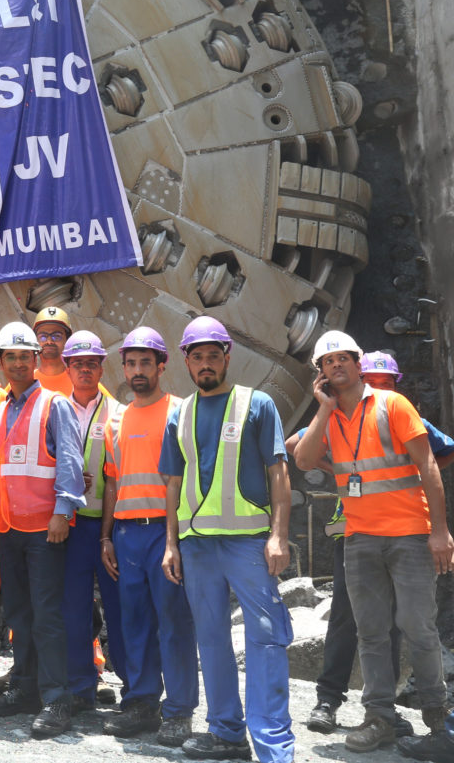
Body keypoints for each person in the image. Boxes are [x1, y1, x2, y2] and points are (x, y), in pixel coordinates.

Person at [295, 332, 454, 752]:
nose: (337, 366)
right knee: (371, 634)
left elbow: (428, 466)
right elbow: (303, 459)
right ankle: (380, 717)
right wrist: (324, 407)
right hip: (361, 538)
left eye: (343, 358)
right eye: (328, 362)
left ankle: (439, 723)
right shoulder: (328, 417)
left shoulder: (392, 404)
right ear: (321, 374)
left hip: (409, 536)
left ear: (358, 362)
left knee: (418, 627)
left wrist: (440, 531)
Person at [160, 316, 294, 763]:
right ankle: (225, 734)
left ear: (226, 357)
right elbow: (173, 486)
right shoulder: (179, 414)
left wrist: (279, 536)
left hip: (248, 544)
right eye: (196, 357)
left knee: (265, 637)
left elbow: (279, 473)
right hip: (197, 547)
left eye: (212, 355)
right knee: (212, 638)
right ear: (185, 361)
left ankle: (274, 745)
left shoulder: (257, 405)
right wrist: (171, 544)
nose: (205, 364)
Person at [0, 321, 85, 739]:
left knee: (47, 616)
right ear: (1, 361)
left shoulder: (53, 404)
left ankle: (57, 698)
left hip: (46, 529)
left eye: (26, 355)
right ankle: (24, 688)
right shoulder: (1, 408)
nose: (20, 362)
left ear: (37, 361)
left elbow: (71, 463)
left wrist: (63, 512)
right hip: (10, 528)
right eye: (12, 356)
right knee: (18, 615)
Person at [101, 326, 198, 746]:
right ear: (123, 367)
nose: (137, 370)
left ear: (162, 365)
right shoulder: (117, 418)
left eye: (146, 362)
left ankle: (178, 711)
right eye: (131, 363)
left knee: (174, 622)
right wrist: (106, 537)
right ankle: (142, 702)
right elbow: (110, 483)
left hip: (165, 531)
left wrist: (178, 539)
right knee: (134, 621)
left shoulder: (181, 411)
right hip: (126, 534)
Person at [58, 330, 127, 713]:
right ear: (67, 368)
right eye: (78, 363)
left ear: (102, 367)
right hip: (69, 526)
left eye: (91, 363)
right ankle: (81, 688)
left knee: (119, 608)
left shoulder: (117, 413)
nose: (85, 369)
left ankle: (136, 691)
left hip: (110, 526)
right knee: (75, 610)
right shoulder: (56, 409)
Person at [32, 306, 74, 396]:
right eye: (43, 337)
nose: (49, 342)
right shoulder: (24, 382)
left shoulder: (81, 380)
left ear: (67, 341)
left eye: (56, 336)